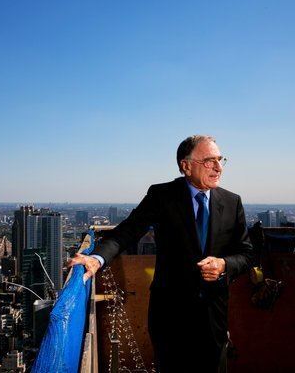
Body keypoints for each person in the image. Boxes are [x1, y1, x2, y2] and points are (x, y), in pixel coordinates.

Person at [67, 135, 254, 372]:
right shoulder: (162, 196)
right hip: (170, 314)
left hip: (213, 315)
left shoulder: (232, 202)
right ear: (186, 166)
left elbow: (247, 254)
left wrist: (223, 264)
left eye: (220, 159)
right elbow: (127, 231)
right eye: (209, 161)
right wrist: (96, 258)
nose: (218, 167)